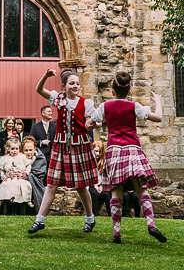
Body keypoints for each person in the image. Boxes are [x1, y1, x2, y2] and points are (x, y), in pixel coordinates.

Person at [89, 71, 167, 244]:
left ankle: (116, 233)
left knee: (116, 191)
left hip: (114, 150)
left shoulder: (105, 106)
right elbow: (158, 117)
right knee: (142, 189)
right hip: (132, 149)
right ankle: (151, 225)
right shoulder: (134, 106)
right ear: (129, 91)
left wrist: (94, 123)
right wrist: (158, 102)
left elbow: (92, 122)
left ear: (112, 90)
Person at [28, 68, 98, 235]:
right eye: (72, 83)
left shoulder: (85, 103)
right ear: (64, 86)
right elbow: (39, 89)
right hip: (60, 147)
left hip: (79, 147)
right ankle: (40, 220)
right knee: (51, 184)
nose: (76, 86)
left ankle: (90, 219)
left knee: (81, 186)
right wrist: (45, 75)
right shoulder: (58, 98)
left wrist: (92, 123)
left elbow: (96, 120)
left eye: (77, 84)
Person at [0, 138, 33, 213]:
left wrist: (25, 173)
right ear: (8, 149)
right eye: (12, 149)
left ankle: (27, 200)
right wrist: (3, 176)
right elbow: (2, 170)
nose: (14, 151)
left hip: (20, 178)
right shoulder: (5, 158)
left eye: (16, 149)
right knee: (4, 185)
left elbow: (28, 165)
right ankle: (2, 199)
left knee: (26, 185)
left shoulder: (22, 157)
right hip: (10, 178)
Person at [88, 139, 110, 217]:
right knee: (94, 193)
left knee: (106, 194)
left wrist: (101, 186)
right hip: (91, 184)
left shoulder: (103, 162)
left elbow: (105, 176)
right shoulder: (88, 162)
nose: (97, 154)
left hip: (101, 184)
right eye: (95, 151)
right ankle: (94, 214)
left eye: (99, 152)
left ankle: (111, 215)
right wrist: (94, 185)